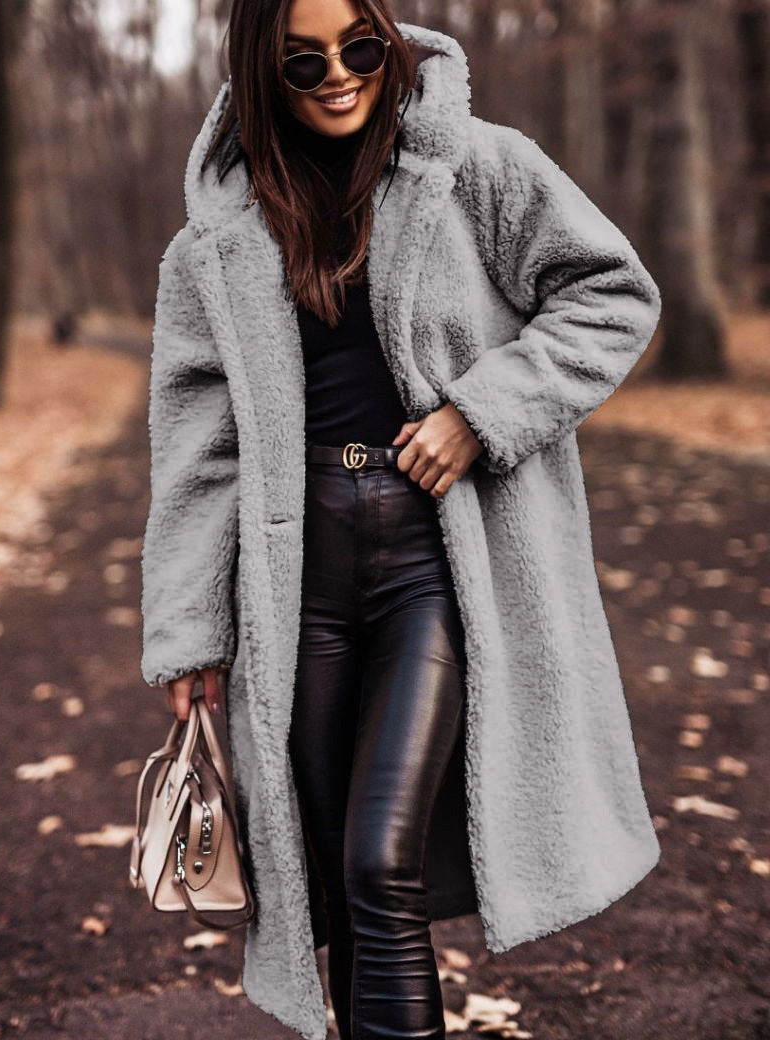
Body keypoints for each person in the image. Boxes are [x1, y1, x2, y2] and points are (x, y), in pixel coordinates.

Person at [142, 3, 662, 1038]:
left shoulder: (478, 166)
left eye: (361, 47)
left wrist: (481, 413)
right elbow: (198, 449)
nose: (339, 75)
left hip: (435, 560)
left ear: (388, 39)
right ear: (262, 72)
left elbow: (612, 293)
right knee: (340, 880)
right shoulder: (214, 242)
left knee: (382, 858)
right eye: (303, 63)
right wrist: (188, 631)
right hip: (296, 582)